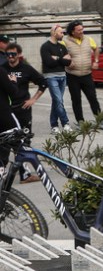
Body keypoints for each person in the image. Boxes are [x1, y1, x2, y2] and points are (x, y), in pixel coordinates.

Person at [2, 43, 47, 181]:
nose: (10, 57)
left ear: (19, 54)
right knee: (5, 143)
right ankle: (10, 172)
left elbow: (43, 83)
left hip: (23, 109)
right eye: (8, 54)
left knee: (24, 141)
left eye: (13, 54)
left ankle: (24, 173)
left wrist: (33, 99)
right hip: (8, 111)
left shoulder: (26, 69)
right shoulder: (3, 69)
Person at [63, 20, 102, 124]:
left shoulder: (88, 39)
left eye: (82, 29)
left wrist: (96, 61)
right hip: (72, 75)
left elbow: (96, 49)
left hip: (87, 74)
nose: (82, 31)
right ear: (72, 32)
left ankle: (100, 120)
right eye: (79, 30)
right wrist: (66, 61)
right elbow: (59, 53)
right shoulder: (64, 41)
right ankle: (80, 122)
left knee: (93, 98)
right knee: (76, 100)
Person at [39, 24, 71, 132]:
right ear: (54, 33)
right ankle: (65, 123)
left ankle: (54, 125)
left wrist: (57, 58)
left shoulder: (62, 46)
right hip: (51, 77)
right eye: (61, 32)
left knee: (57, 101)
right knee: (58, 100)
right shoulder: (45, 47)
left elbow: (68, 62)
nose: (63, 34)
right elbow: (49, 63)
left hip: (63, 76)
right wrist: (62, 59)